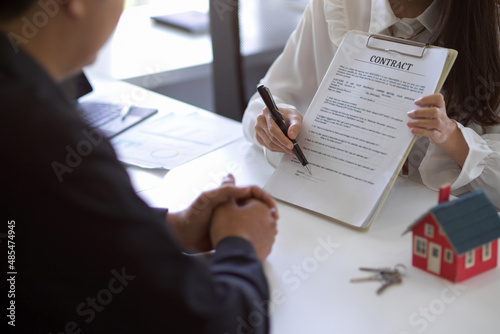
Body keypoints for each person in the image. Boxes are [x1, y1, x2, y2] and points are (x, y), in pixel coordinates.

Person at [0, 0, 278, 333]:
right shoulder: (49, 141)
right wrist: (241, 244)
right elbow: (217, 324)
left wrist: (170, 229)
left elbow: (43, 238)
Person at [243, 0, 500, 208]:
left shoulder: (491, 27)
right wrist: (272, 125)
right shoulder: (336, 8)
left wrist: (451, 137)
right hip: (332, 206)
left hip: (437, 226)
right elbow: (263, 104)